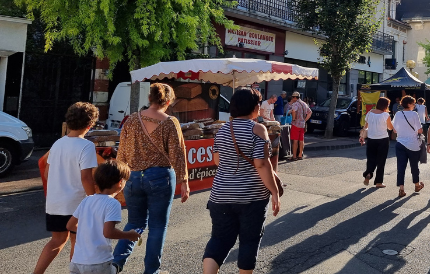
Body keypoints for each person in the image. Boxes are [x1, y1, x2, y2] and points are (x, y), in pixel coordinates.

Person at [113, 83, 190, 274]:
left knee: (134, 223)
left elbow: (121, 151)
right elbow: (178, 153)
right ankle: (151, 271)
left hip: (132, 177)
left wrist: (119, 179)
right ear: (169, 101)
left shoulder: (131, 120)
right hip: (160, 177)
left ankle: (115, 263)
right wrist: (184, 181)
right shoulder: (170, 122)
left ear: (149, 98)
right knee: (157, 226)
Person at [202, 87, 280, 274]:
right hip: (251, 197)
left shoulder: (222, 130)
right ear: (254, 107)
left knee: (219, 239)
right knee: (249, 241)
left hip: (220, 195)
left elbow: (217, 160)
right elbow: (262, 164)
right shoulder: (258, 129)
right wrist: (275, 191)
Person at [33, 102, 99, 274]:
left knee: (56, 241)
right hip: (76, 204)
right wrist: (94, 200)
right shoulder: (87, 146)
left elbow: (47, 173)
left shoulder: (57, 144)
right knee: (77, 242)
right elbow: (86, 178)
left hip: (55, 202)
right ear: (90, 124)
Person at [66, 161, 140, 274]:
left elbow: (70, 225)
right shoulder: (112, 203)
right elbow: (108, 232)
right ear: (120, 183)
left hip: (77, 262)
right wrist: (130, 235)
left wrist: (90, 231)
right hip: (99, 262)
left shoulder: (87, 200)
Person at [392, 96, 425, 197]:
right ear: (409, 104)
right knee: (414, 165)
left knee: (401, 167)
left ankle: (401, 188)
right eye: (413, 103)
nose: (414, 105)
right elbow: (420, 130)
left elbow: (394, 130)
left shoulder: (398, 114)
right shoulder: (414, 114)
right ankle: (416, 184)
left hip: (400, 143)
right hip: (412, 143)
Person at [361, 96, 393, 188]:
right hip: (383, 140)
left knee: (371, 159)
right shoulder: (385, 115)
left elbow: (365, 126)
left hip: (371, 139)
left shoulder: (370, 113)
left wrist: (362, 136)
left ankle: (368, 173)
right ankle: (379, 182)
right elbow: (390, 128)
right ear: (386, 105)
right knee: (381, 161)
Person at [290, 91, 311, 160]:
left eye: (292, 97)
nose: (292, 98)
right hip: (302, 125)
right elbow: (310, 112)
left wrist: (293, 118)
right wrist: (305, 120)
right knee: (301, 140)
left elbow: (293, 111)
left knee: (295, 141)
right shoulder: (304, 104)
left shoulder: (295, 104)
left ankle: (294, 156)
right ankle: (300, 155)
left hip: (296, 124)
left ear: (295, 97)